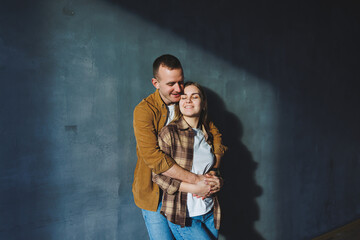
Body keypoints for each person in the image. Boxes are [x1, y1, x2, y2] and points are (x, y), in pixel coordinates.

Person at [133, 54, 227, 239]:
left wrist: (213, 173)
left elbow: (215, 136)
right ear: (155, 83)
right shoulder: (144, 111)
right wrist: (196, 182)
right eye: (171, 84)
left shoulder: (184, 101)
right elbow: (154, 158)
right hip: (155, 194)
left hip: (191, 199)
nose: (178, 89)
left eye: (180, 82)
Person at [153, 82, 223, 240]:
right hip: (184, 216)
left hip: (210, 212)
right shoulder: (169, 133)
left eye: (194, 96)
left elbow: (211, 170)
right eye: (183, 97)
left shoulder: (208, 135)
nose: (188, 100)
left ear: (203, 103)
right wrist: (194, 188)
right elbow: (158, 176)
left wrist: (218, 181)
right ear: (179, 103)